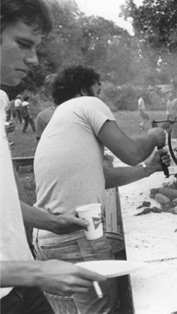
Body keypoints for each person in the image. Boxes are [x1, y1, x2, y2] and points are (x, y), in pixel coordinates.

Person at [33, 64, 170, 314]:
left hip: (48, 234)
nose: (101, 95)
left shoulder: (62, 118)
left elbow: (101, 178)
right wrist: (154, 136)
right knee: (105, 310)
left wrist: (147, 169)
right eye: (98, 89)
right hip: (77, 235)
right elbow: (131, 153)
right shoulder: (88, 104)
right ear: (84, 89)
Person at [1, 1, 106, 313]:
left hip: (21, 286)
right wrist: (37, 272)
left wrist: (53, 222)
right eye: (23, 44)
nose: (33, 59)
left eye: (36, 47)